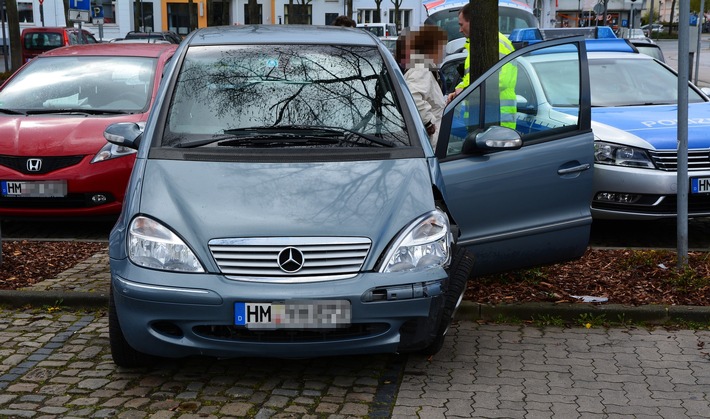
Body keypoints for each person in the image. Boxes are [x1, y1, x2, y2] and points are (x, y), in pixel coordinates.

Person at [446, 2, 517, 130]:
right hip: (484, 118)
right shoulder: (478, 45)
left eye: (461, 25)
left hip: (497, 120)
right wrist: (459, 90)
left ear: (473, 22)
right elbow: (471, 78)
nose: (460, 30)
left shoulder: (496, 42)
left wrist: (467, 90)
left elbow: (500, 80)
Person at [401, 26, 448, 148]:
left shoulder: (425, 67)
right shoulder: (421, 68)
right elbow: (413, 96)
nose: (444, 52)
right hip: (429, 142)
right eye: (442, 47)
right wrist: (428, 123)